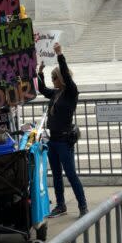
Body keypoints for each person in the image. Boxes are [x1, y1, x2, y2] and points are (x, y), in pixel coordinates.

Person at [37, 42, 87, 218]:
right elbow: (42, 89)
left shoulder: (70, 92)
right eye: (52, 77)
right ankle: (60, 205)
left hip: (65, 141)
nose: (53, 80)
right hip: (53, 140)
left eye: (54, 77)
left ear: (61, 78)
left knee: (71, 174)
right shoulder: (56, 93)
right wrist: (40, 71)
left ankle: (82, 206)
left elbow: (65, 72)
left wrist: (60, 55)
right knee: (56, 175)